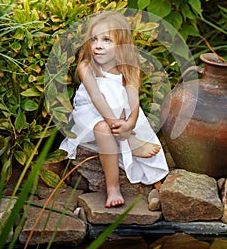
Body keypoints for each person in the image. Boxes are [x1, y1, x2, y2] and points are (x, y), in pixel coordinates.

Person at [59, 11, 169, 208]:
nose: (98, 45)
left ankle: (127, 140)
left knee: (108, 122)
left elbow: (134, 98)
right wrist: (124, 132)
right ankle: (113, 187)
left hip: (117, 119)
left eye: (106, 39)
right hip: (89, 114)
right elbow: (96, 97)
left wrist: (131, 123)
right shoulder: (87, 66)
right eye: (94, 39)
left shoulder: (129, 67)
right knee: (105, 108)